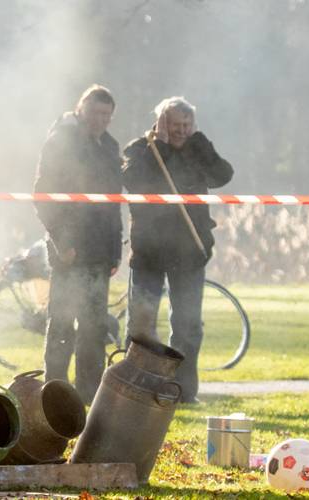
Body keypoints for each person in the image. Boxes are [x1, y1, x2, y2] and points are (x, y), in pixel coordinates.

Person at [122, 97, 233, 403]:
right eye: (175, 126)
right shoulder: (140, 149)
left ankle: (181, 391)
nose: (182, 131)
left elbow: (223, 175)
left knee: (188, 327)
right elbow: (132, 180)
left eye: (187, 125)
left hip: (189, 251)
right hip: (149, 252)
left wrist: (202, 143)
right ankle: (134, 389)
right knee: (141, 324)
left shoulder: (197, 148)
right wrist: (161, 145)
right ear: (160, 124)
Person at [33, 85, 122, 404]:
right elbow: (43, 196)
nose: (101, 120)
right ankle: (54, 390)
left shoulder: (110, 148)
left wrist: (115, 251)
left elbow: (114, 204)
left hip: (100, 253)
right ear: (80, 109)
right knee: (61, 323)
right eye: (96, 113)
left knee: (93, 328)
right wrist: (62, 242)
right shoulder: (61, 142)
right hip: (69, 252)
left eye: (107, 115)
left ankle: (89, 393)